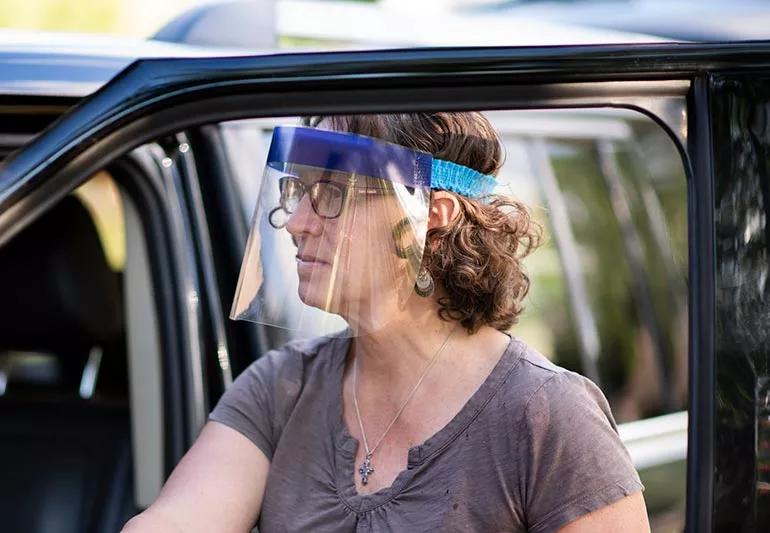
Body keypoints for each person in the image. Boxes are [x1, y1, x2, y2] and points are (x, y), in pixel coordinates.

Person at [123, 112, 649, 532]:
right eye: (297, 191)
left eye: (332, 196)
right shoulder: (280, 388)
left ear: (434, 217)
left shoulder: (545, 415)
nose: (297, 223)